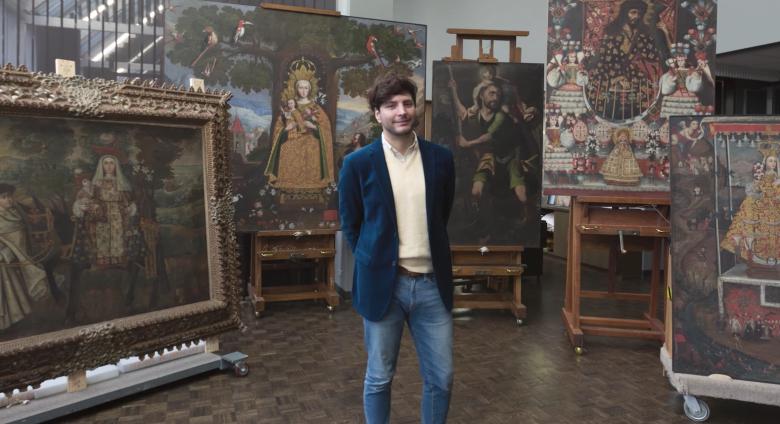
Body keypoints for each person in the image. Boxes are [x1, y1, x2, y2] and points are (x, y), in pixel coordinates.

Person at [338, 73, 455, 424]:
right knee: (378, 377)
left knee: (442, 379)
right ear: (377, 114)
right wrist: (374, 259)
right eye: (391, 105)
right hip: (384, 287)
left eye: (406, 103)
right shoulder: (357, 164)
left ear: (415, 107)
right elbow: (351, 223)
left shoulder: (441, 159)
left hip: (433, 286)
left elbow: (441, 214)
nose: (401, 111)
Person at [265, 59, 335, 196]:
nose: (303, 91)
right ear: (295, 88)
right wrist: (286, 129)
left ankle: (315, 190)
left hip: (311, 145)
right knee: (287, 149)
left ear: (310, 89)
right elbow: (280, 126)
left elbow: (326, 130)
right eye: (300, 87)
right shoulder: (289, 107)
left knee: (312, 149)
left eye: (306, 87)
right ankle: (287, 189)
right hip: (291, 142)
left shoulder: (316, 108)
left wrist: (315, 128)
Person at [586, 0, 666, 120]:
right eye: (633, 12)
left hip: (636, 72)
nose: (636, 16)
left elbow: (652, 55)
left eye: (639, 14)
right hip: (611, 69)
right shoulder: (612, 30)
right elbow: (604, 57)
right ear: (625, 13)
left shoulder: (644, 32)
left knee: (646, 85)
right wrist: (618, 77)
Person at [72, 155, 142, 268]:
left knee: (118, 237)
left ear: (116, 166)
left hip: (118, 214)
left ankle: (118, 261)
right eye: (106, 163)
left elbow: (129, 200)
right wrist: (86, 205)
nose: (109, 166)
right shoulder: (95, 184)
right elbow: (86, 197)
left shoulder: (122, 183)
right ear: (101, 166)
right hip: (101, 214)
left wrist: (130, 208)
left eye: (111, 163)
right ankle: (102, 262)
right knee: (101, 236)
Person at [0, 183, 50, 330]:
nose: (9, 200)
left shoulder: (15, 214)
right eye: (4, 197)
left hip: (15, 261)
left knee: (14, 295)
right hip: (3, 263)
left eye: (9, 196)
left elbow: (23, 238)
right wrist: (4, 253)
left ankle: (14, 322)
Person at [721, 153, 780, 275]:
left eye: (774, 161)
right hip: (763, 207)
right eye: (770, 161)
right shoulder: (762, 176)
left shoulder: (777, 177)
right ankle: (757, 256)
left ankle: (772, 258)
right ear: (765, 163)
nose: (773, 164)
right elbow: (758, 189)